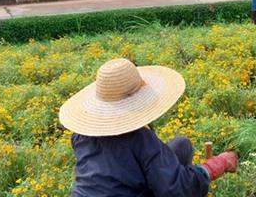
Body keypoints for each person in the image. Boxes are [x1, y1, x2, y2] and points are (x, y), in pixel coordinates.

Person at [59, 58, 238, 197]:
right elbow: (175, 189)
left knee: (181, 145)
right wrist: (216, 165)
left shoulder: (80, 136)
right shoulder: (141, 141)